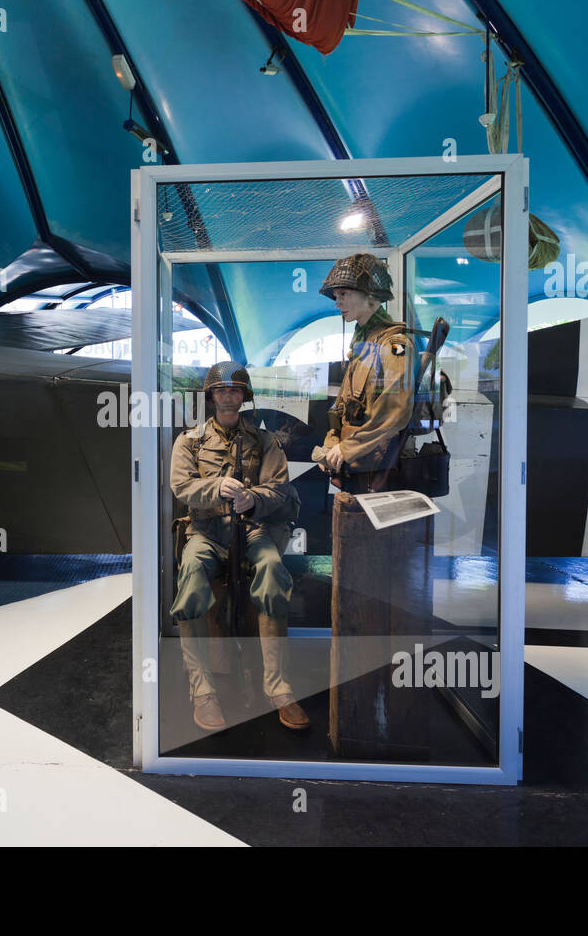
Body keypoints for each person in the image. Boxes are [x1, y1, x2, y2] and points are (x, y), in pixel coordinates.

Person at [168, 361, 308, 733]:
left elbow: (279, 488)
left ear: (244, 397)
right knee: (192, 578)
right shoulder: (190, 440)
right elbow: (181, 487)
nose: (228, 396)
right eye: (221, 390)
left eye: (235, 390)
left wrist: (253, 499)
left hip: (252, 529)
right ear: (211, 396)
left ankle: (278, 687)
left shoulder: (265, 441)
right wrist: (217, 488)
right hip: (207, 533)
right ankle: (203, 689)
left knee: (273, 573)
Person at [318, 253, 416, 494]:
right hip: (358, 468)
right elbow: (345, 407)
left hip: (382, 472)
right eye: (336, 296)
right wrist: (333, 443)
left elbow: (394, 411)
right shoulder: (363, 346)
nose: (337, 303)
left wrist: (348, 448)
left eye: (344, 294)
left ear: (370, 295)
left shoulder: (394, 345)